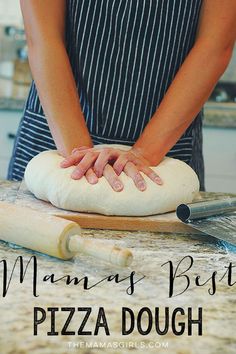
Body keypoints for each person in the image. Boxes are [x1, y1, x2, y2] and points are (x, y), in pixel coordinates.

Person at [8, 0, 236, 192]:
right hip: (56, 142)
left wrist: (145, 154)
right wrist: (79, 155)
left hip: (165, 151)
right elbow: (43, 37)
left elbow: (215, 44)